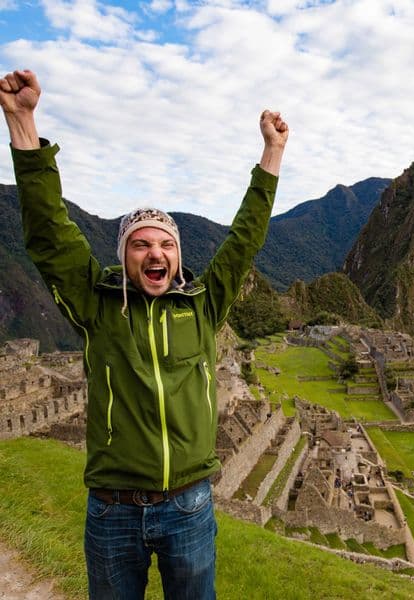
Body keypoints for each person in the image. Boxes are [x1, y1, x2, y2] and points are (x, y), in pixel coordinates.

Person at [1, 69, 289, 599]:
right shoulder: (98, 306)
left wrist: (271, 154)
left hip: (190, 505)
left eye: (166, 244)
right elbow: (48, 234)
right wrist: (22, 123)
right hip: (112, 509)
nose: (155, 252)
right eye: (141, 244)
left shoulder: (202, 307)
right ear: (125, 256)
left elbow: (245, 240)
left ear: (177, 256)